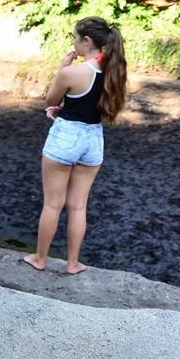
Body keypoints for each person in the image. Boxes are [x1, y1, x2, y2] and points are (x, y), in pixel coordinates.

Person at [23, 17, 127, 275]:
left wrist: (62, 69)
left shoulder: (73, 72)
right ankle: (73, 263)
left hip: (66, 137)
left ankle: (40, 259)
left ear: (87, 40)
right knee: (79, 206)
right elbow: (91, 102)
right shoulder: (113, 69)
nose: (73, 42)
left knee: (53, 204)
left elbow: (50, 99)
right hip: (93, 140)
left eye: (75, 37)